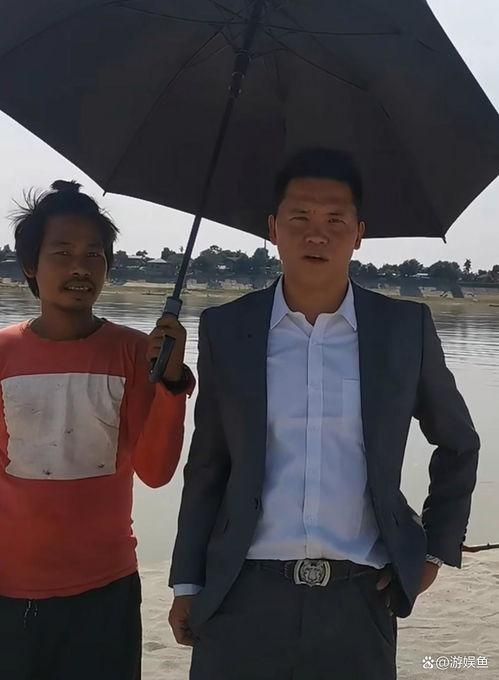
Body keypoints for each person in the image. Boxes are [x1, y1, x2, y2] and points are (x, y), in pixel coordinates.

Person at [168, 149, 480, 679]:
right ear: (273, 229)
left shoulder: (403, 330)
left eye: (335, 220)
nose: (317, 235)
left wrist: (433, 552)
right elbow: (208, 465)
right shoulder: (228, 329)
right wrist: (187, 581)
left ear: (359, 234)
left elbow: (458, 442)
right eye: (300, 218)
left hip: (360, 598)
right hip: (241, 593)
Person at [0, 180, 194, 680]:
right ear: (30, 265)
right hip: (9, 587)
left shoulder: (134, 352)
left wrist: (171, 383)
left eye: (94, 254)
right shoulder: (4, 354)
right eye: (62, 253)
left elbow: (155, 472)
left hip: (105, 588)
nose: (80, 267)